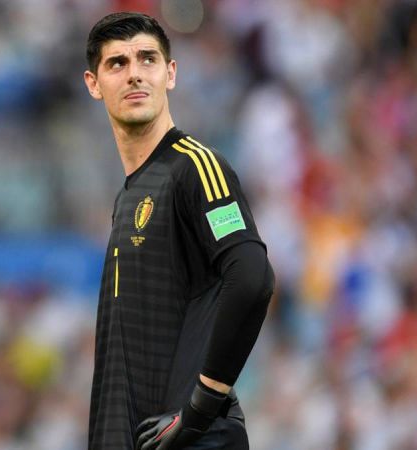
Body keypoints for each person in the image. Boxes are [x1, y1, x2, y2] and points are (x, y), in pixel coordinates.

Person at [83, 12, 274, 450]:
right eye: (117, 63)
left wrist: (199, 409)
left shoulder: (195, 166)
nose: (134, 74)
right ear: (93, 84)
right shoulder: (128, 197)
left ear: (170, 74)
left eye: (147, 59)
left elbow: (252, 276)